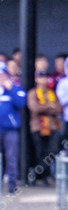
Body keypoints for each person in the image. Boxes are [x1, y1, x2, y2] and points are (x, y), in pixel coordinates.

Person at [27, 71, 62, 186]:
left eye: (46, 77)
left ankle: (36, 173)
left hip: (52, 126)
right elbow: (34, 108)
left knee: (52, 150)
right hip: (38, 126)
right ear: (37, 79)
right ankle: (42, 177)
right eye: (41, 77)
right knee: (40, 152)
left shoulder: (52, 92)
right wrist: (49, 106)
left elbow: (58, 108)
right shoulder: (32, 93)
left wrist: (46, 108)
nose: (44, 80)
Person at [0, 62, 26, 194]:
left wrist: (10, 89)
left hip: (10, 130)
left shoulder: (15, 89)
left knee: (11, 157)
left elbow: (21, 103)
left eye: (2, 75)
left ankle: (12, 185)